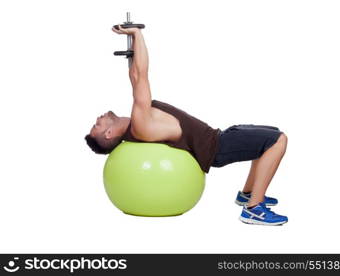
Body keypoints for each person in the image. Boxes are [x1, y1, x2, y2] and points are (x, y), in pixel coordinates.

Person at [85, 25, 288, 226]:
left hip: (219, 135)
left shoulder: (139, 119)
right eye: (97, 125)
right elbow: (140, 76)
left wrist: (133, 48)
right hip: (217, 147)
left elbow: (135, 75)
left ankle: (248, 194)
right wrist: (138, 34)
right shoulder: (140, 123)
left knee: (271, 133)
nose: (99, 117)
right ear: (109, 133)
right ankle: (253, 209)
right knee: (278, 140)